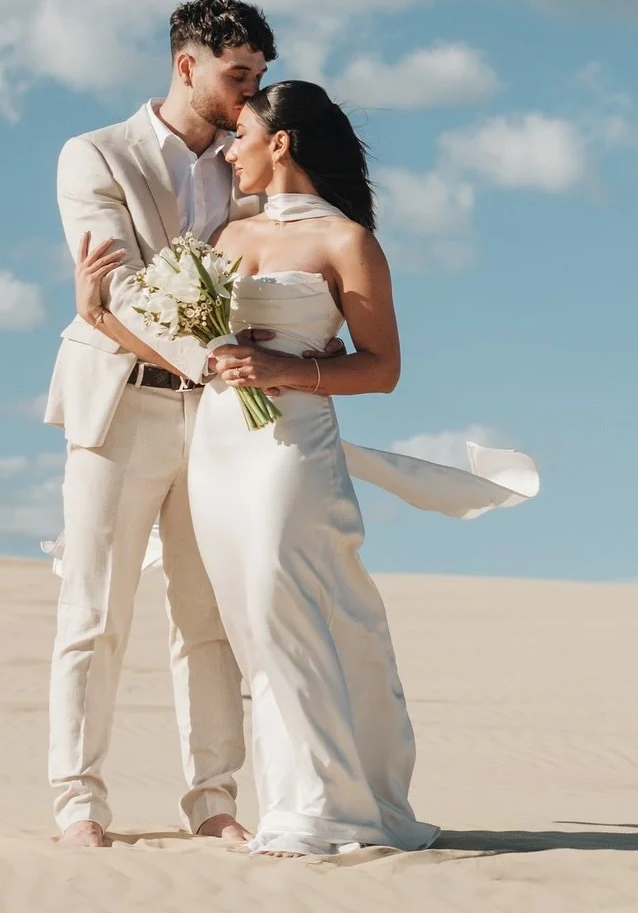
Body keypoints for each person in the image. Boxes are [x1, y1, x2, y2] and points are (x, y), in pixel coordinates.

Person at [74, 81, 467, 855]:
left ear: (280, 143)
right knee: (248, 619)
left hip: (293, 448)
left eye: (243, 134)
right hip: (219, 446)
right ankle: (295, 797)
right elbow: (198, 357)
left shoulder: (347, 243)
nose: (229, 148)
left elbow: (381, 368)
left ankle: (324, 810)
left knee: (281, 600)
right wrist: (100, 314)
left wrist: (287, 373)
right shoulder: (228, 240)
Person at [44, 0, 276, 849]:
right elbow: (116, 285)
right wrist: (207, 355)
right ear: (187, 64)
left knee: (206, 612)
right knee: (96, 607)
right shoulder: (94, 154)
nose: (251, 96)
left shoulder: (246, 163)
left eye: (258, 78)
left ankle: (214, 799)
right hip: (117, 400)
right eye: (237, 75)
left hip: (217, 417)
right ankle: (78, 801)